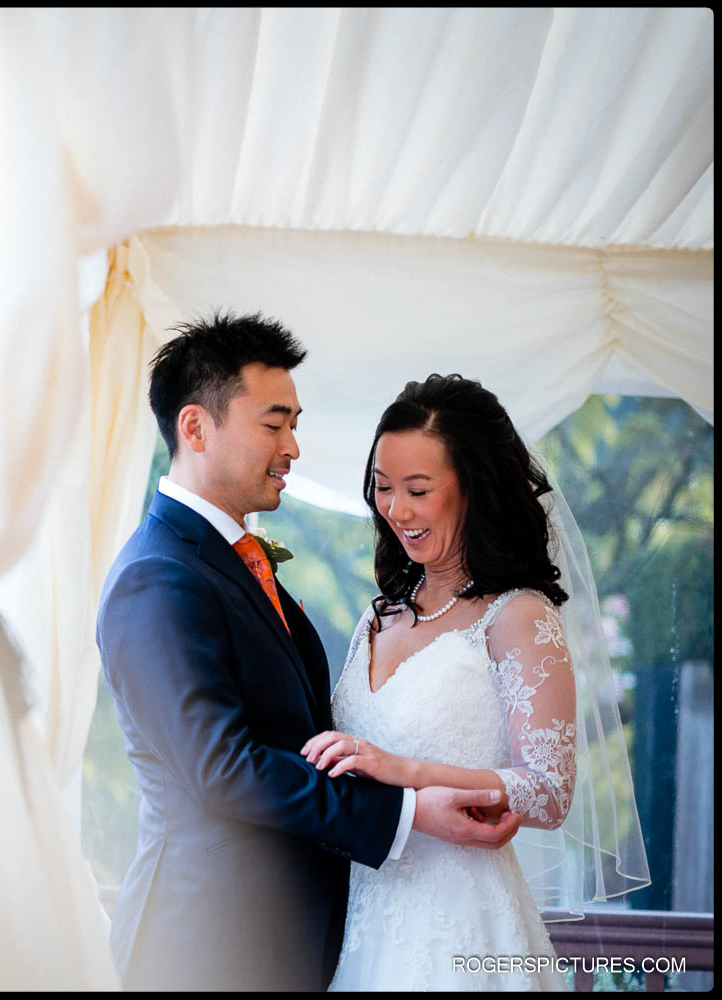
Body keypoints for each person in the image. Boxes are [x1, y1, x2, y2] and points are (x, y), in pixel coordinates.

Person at [95, 314, 521, 992]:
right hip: (208, 945)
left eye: (295, 422)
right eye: (274, 423)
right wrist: (407, 815)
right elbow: (223, 768)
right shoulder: (158, 575)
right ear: (196, 428)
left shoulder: (235, 560)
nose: (293, 446)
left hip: (287, 939)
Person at [307, 373, 580, 990]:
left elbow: (549, 793)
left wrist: (408, 771)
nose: (396, 510)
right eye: (382, 488)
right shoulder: (378, 616)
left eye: (418, 490)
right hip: (362, 918)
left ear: (472, 489)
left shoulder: (517, 616)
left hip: (463, 927)